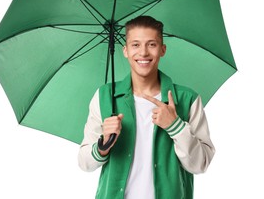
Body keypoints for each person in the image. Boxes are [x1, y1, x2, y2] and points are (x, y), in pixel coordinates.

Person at [78, 16, 215, 199]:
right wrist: (103, 145)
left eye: (151, 44)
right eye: (135, 45)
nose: (143, 53)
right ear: (125, 50)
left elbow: (200, 164)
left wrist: (176, 126)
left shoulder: (187, 99)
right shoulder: (104, 97)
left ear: (163, 49)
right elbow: (85, 163)